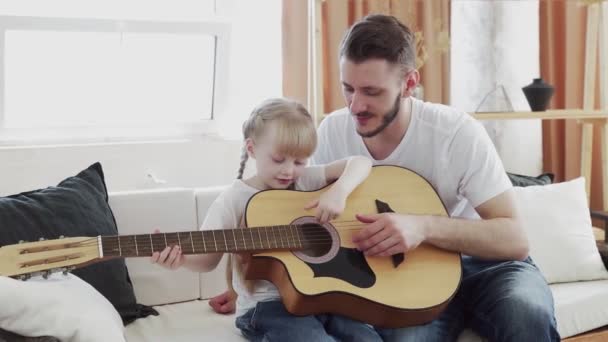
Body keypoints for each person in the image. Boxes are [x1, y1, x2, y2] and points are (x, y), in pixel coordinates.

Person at [209, 14, 560, 341]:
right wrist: (252, 284)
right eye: (348, 88)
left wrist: (422, 227)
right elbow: (294, 218)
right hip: (401, 282)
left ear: (409, 83)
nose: (355, 105)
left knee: (525, 313)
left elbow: (515, 239)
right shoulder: (332, 131)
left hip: (486, 267)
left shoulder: (456, 133)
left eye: (372, 92)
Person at [150, 98, 380, 341]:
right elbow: (207, 261)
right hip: (267, 308)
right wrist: (182, 259)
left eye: (300, 161)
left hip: (323, 299)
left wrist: (339, 191)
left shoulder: (306, 181)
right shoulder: (234, 199)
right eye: (279, 159)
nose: (289, 171)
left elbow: (361, 162)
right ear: (252, 149)